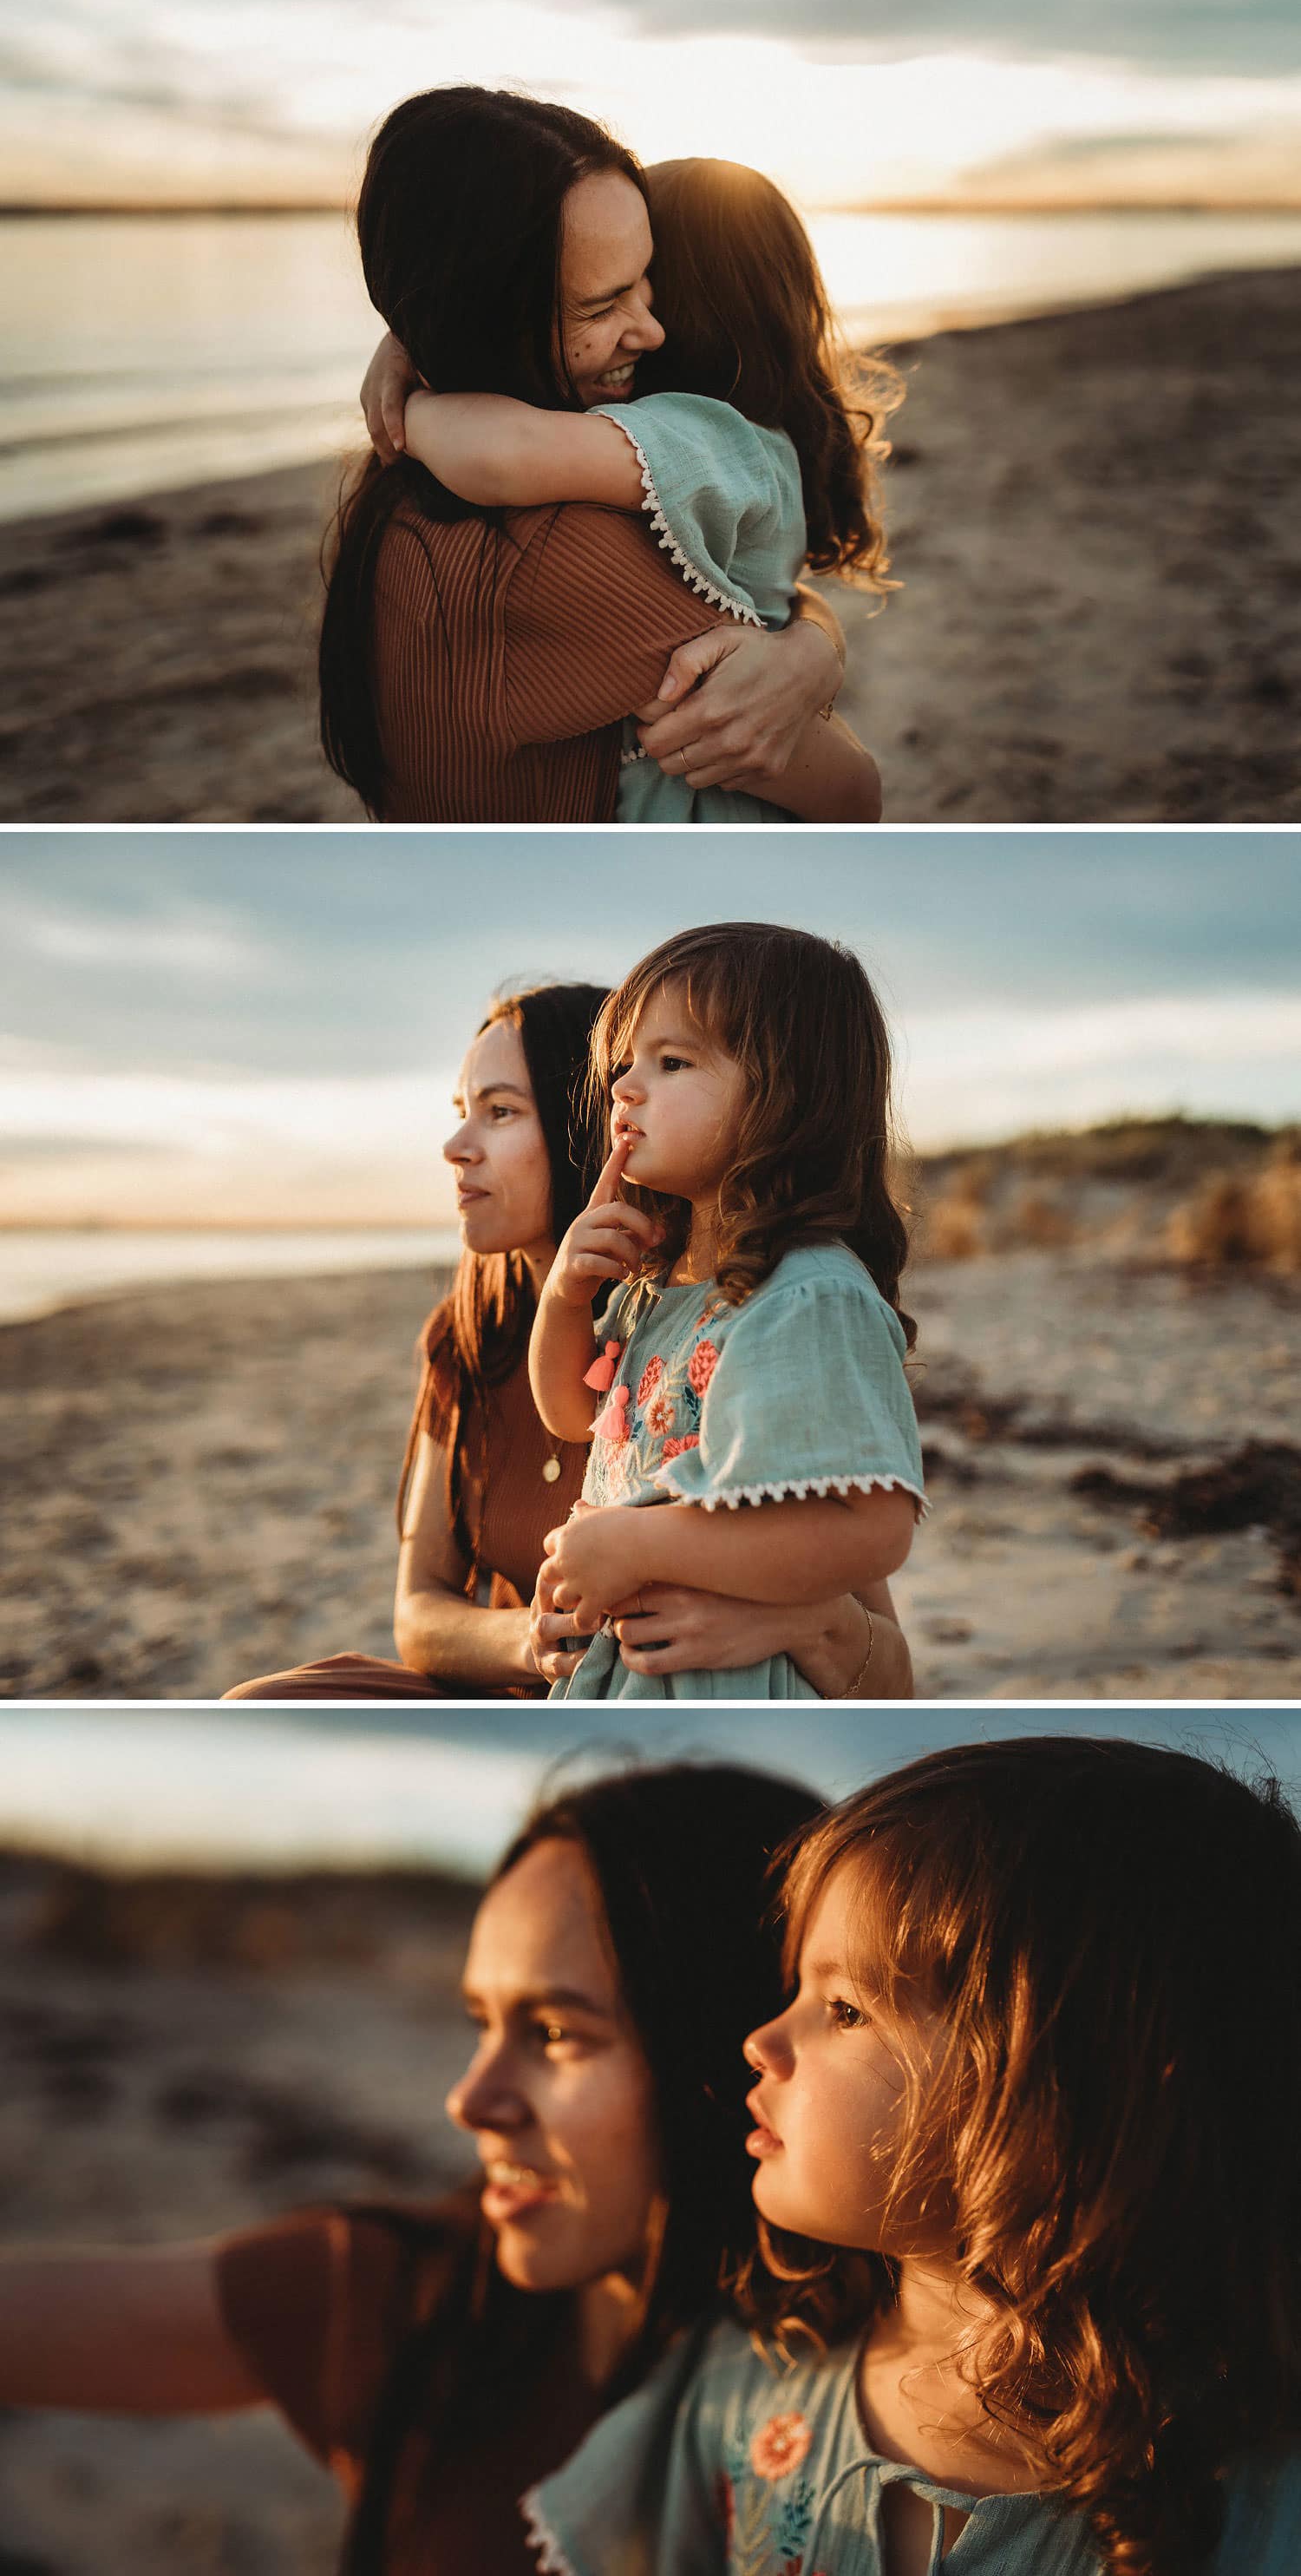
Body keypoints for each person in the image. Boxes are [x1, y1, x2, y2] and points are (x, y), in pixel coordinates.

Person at [0, 1760, 821, 2576]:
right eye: (482, 2023)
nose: (472, 2100)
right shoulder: (415, 2302)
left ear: (742, 2043)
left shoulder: (895, 2414)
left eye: (556, 2032)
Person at [529, 1733, 1301, 2576]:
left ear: (1060, 2082)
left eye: (846, 2007)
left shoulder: (1251, 2484)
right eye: (796, 1992)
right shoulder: (736, 2393)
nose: (761, 2040)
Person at [227, 986, 912, 1703]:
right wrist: (535, 1638)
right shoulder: (471, 1337)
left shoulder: (757, 1315)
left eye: (500, 1112)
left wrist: (801, 1622)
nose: (456, 1147)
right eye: (464, 1113)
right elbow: (419, 1608)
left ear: (578, 1122)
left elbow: (886, 1652)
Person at [320, 92, 872, 827]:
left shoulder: (393, 493)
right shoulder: (560, 543)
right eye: (602, 303)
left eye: (650, 283)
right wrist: (813, 643)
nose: (648, 328)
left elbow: (510, 442)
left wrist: (410, 384)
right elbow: (854, 794)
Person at [532, 922, 925, 1701]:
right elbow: (574, 1412)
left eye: (672, 1062)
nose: (624, 1088)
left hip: (733, 1679)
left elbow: (874, 1528)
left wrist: (634, 1541)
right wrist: (563, 1298)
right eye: (625, 1064)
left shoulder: (809, 1294)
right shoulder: (657, 1283)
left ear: (787, 1095)